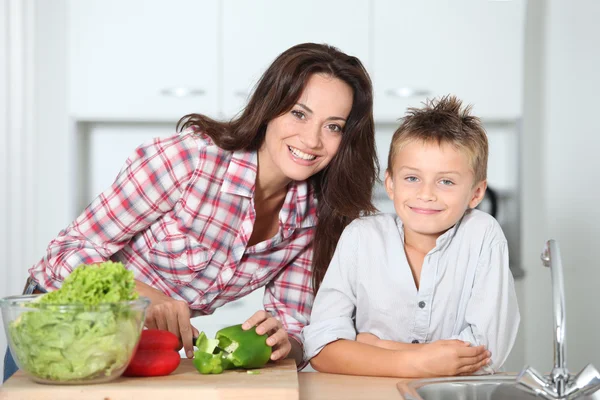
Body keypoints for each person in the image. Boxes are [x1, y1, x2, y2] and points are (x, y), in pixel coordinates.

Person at [3, 43, 379, 382]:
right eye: (299, 114)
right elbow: (64, 253)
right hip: (55, 326)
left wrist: (283, 343)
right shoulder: (187, 161)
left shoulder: (315, 216)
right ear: (269, 108)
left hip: (137, 350)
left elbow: (294, 325)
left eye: (333, 127)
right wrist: (145, 296)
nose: (312, 140)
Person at [302, 95, 520, 378]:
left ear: (476, 193)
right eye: (412, 178)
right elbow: (321, 345)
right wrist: (417, 362)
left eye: (446, 181)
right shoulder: (361, 237)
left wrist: (379, 346)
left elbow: (484, 354)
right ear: (391, 184)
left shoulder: (483, 236)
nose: (426, 194)